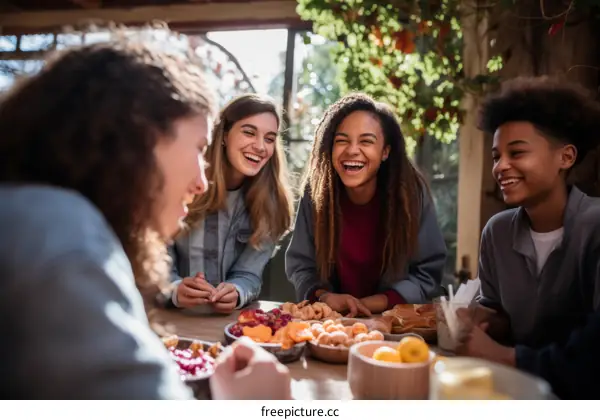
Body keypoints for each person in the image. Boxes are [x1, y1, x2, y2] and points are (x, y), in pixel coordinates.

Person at [0, 37, 290, 399]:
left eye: (270, 138)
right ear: (139, 142)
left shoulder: (43, 216)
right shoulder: (64, 240)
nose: (202, 182)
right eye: (199, 149)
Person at [455, 76, 600, 399]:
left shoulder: (595, 227)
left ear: (566, 157)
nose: (501, 167)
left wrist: (504, 356)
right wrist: (482, 320)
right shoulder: (497, 232)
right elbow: (500, 315)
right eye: (496, 156)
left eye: (517, 153)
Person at [285, 93, 447, 317]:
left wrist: (375, 303)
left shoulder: (411, 194)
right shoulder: (316, 193)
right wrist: (324, 297)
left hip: (393, 321)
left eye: (366, 141)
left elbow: (427, 273)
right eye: (341, 140)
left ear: (385, 152)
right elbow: (301, 266)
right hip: (329, 320)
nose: (352, 150)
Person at [163, 94, 294, 314]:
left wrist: (237, 290)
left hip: (229, 325)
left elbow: (249, 275)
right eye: (249, 132)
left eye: (269, 139)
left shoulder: (271, 205)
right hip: (172, 320)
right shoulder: (181, 186)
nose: (261, 147)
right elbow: (155, 263)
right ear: (224, 135)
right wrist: (175, 289)